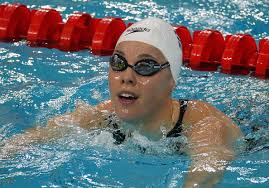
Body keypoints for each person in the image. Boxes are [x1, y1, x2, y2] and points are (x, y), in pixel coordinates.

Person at [1, 17, 243, 188]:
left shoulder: (202, 123)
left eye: (145, 66)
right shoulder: (102, 116)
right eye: (118, 63)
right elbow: (31, 140)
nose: (127, 76)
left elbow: (206, 173)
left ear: (172, 80)